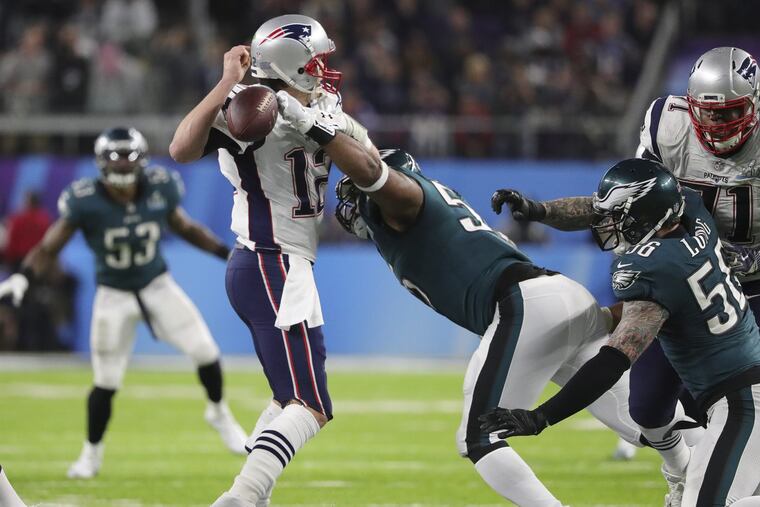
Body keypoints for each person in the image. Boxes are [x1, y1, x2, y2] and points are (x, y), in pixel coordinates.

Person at [273, 91, 642, 506]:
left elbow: (374, 174)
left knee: (478, 437)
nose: (350, 205)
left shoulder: (405, 200)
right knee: (646, 422)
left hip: (525, 303)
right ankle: (693, 485)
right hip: (555, 299)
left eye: (355, 192)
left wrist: (315, 128)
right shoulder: (426, 208)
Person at [483, 159, 760, 506]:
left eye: (620, 218)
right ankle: (679, 472)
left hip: (742, 401)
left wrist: (541, 417)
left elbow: (613, 360)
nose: (607, 225)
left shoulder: (653, 268)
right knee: (650, 412)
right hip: (739, 390)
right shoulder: (691, 213)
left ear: (647, 217)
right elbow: (595, 209)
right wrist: (538, 210)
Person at [0, 127, 247, 479]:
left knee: (206, 352)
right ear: (102, 163)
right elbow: (49, 246)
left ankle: (219, 413)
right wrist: (23, 276)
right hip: (112, 294)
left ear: (141, 161)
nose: (121, 166)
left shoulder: (160, 186)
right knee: (106, 381)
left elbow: (185, 227)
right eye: (115, 159)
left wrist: (227, 253)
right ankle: (91, 454)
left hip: (156, 285)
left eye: (127, 159)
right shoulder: (85, 199)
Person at [169, 15, 342, 506]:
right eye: (315, 60)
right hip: (271, 262)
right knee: (310, 404)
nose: (323, 68)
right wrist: (227, 82)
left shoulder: (321, 102)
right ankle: (241, 498)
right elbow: (181, 148)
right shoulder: (250, 106)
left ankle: (251, 496)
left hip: (285, 266)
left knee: (287, 399)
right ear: (293, 64)